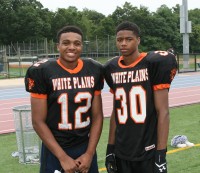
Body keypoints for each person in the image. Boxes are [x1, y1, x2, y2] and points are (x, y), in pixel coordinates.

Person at [25, 25, 104, 173]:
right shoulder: (42, 71)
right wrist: (62, 157)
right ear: (58, 46)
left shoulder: (94, 69)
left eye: (77, 43)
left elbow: (98, 116)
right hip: (55, 148)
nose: (72, 47)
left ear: (82, 46)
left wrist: (89, 153)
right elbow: (37, 121)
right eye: (66, 43)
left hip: (84, 146)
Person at [104, 21, 177, 173]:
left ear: (138, 40)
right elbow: (116, 111)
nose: (123, 43)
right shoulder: (111, 68)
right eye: (119, 40)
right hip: (122, 150)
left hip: (148, 149)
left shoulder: (153, 63)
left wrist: (160, 155)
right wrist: (110, 148)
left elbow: (163, 112)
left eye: (128, 39)